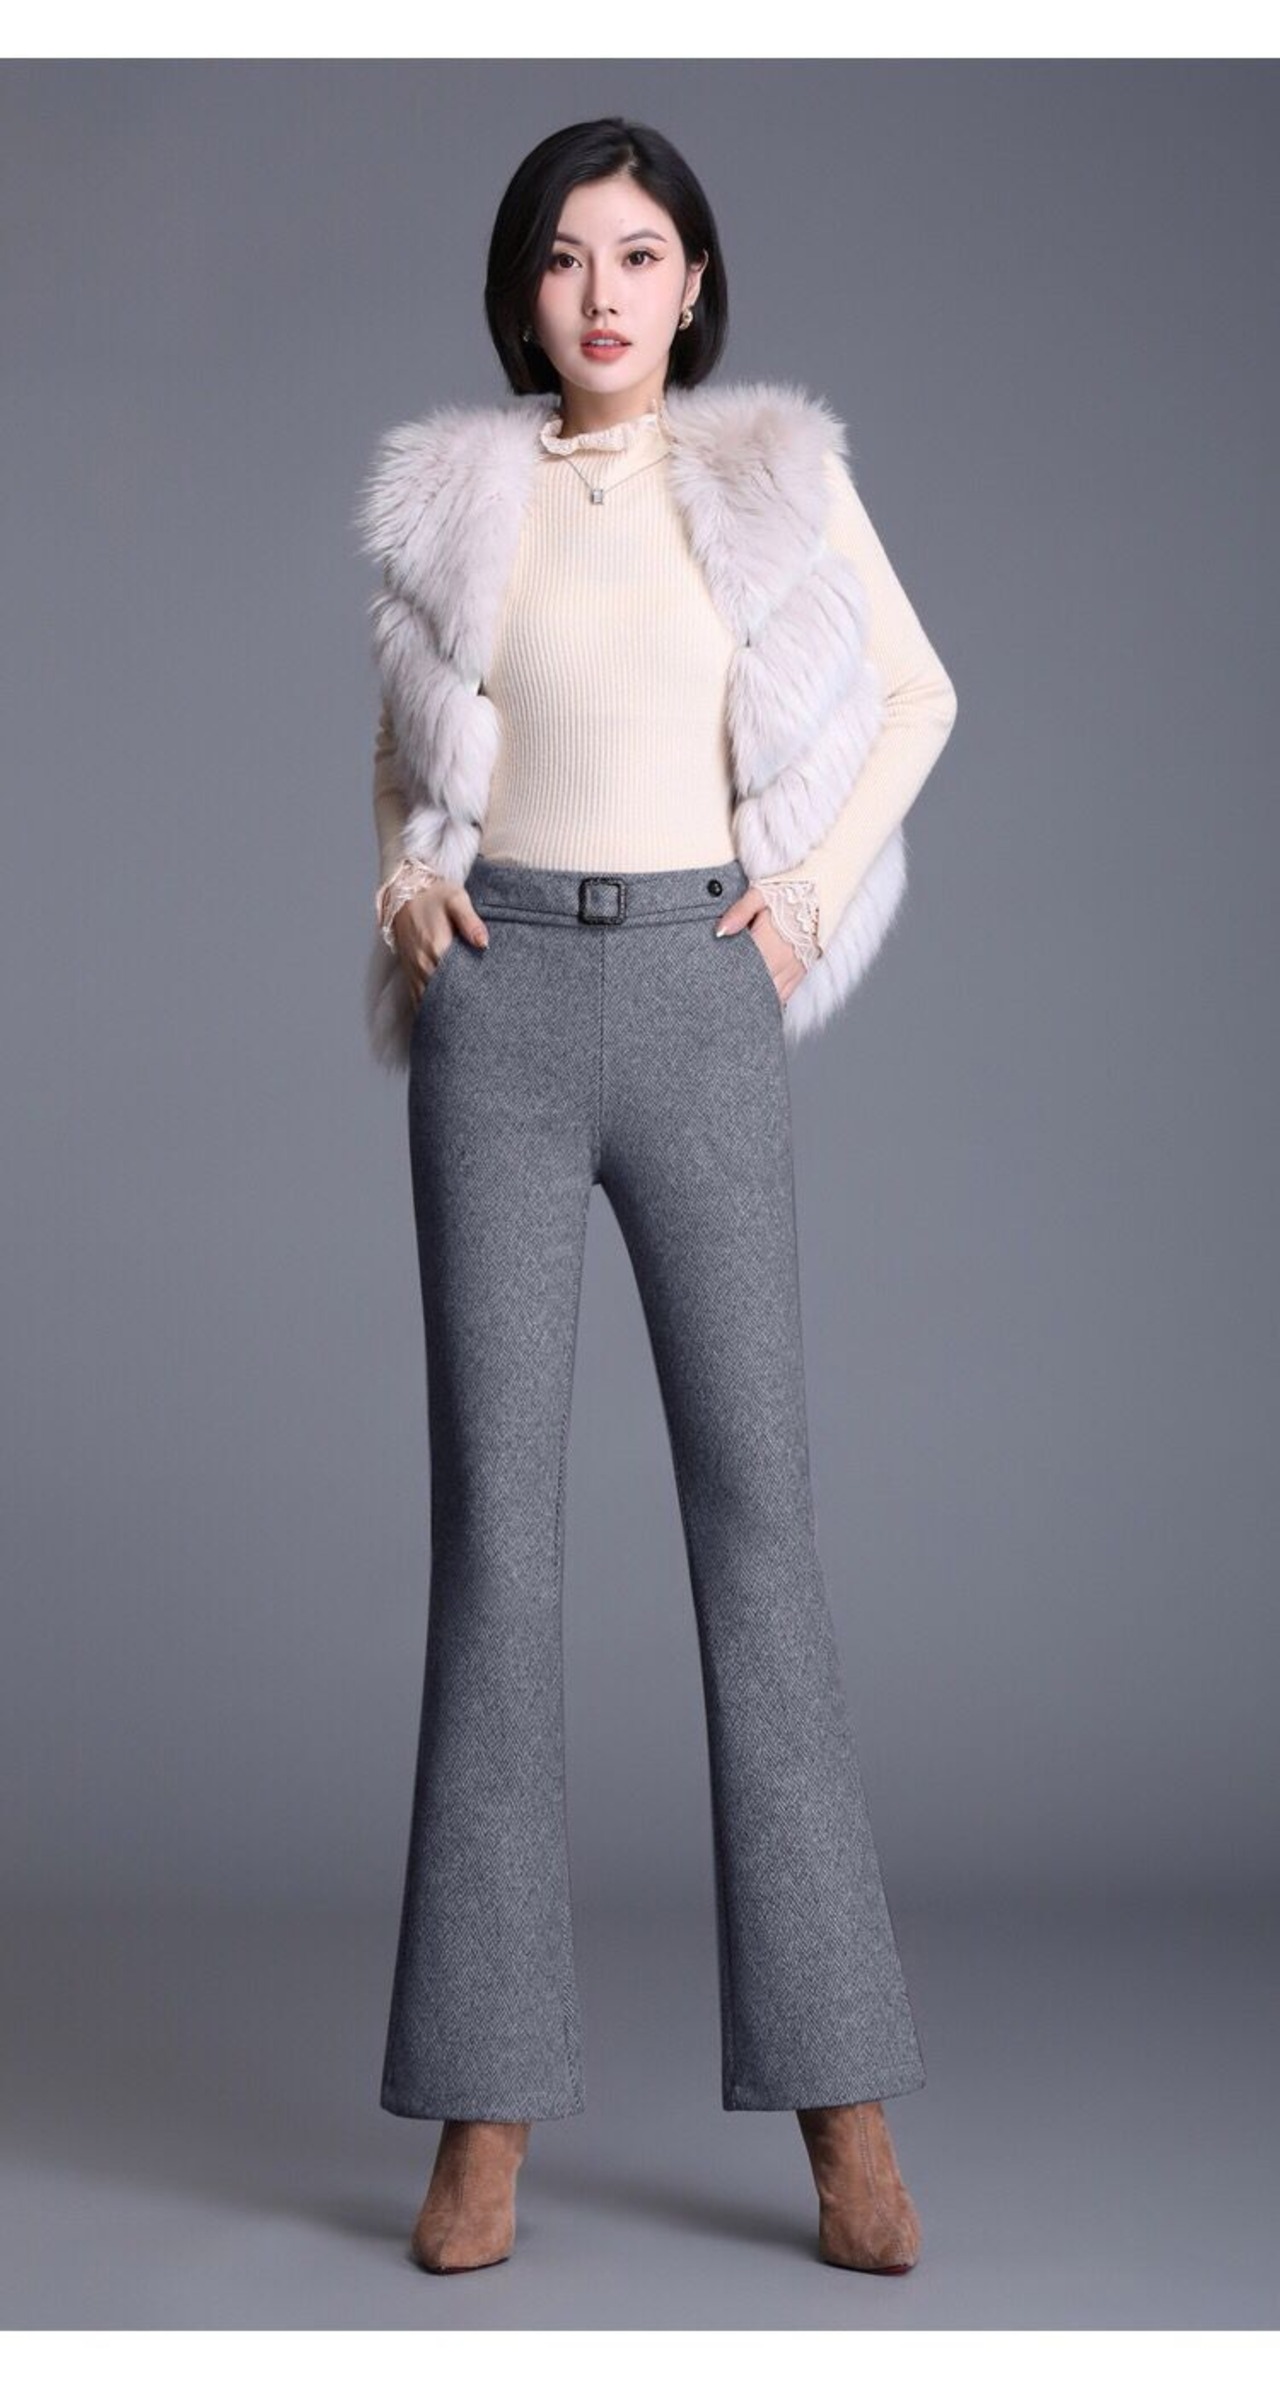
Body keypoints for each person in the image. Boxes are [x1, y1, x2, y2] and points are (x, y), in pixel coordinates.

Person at [355, 114, 958, 2279]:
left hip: (703, 999)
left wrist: (802, 901)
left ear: (694, 284)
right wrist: (406, 891)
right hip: (501, 1020)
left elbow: (918, 694)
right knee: (494, 1557)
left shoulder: (770, 475)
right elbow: (406, 758)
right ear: (520, 291)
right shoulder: (455, 497)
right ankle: (482, 2116)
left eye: (638, 254)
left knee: (759, 1541)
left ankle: (844, 2113)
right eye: (563, 256)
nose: (600, 292)